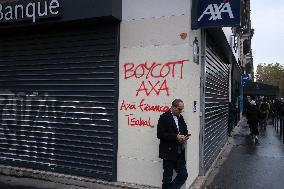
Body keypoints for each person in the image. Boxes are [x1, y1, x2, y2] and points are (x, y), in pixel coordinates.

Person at [157, 99, 189, 189]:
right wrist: (176, 137)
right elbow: (160, 134)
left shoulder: (180, 117)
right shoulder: (164, 117)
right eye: (179, 109)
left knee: (183, 174)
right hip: (168, 152)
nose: (181, 111)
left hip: (179, 152)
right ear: (173, 107)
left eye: (182, 109)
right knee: (167, 177)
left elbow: (185, 130)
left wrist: (185, 136)